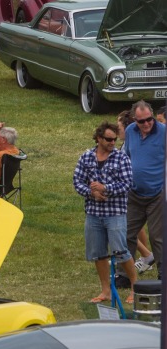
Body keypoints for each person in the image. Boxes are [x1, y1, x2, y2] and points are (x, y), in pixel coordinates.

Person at [73, 121, 137, 304]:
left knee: (121, 250)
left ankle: (135, 287)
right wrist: (91, 192)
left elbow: (127, 184)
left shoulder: (121, 158)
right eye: (108, 139)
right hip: (93, 213)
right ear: (99, 138)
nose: (112, 143)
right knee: (98, 253)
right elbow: (77, 181)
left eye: (115, 139)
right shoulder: (86, 157)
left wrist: (105, 188)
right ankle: (106, 291)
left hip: (115, 213)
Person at [122, 100, 165, 282]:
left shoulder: (163, 132)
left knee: (158, 237)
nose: (146, 124)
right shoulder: (130, 131)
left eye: (149, 119)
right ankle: (124, 274)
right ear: (134, 120)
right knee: (126, 234)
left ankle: (163, 274)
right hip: (134, 193)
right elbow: (126, 156)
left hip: (158, 194)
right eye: (142, 121)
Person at [116, 109, 154, 275]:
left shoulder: (132, 143)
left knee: (123, 228)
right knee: (134, 227)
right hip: (133, 190)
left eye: (119, 127)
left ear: (128, 127)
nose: (117, 131)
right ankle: (145, 257)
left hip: (132, 190)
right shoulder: (127, 143)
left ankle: (146, 255)